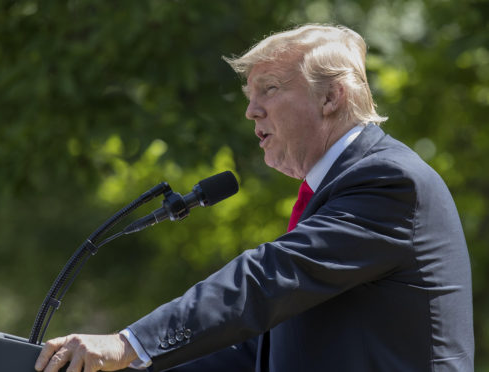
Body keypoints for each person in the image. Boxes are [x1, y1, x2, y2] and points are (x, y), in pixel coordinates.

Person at [35, 24, 474, 372]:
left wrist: (129, 343)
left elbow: (268, 278)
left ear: (331, 96)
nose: (251, 111)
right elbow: (260, 349)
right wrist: (122, 365)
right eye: (249, 96)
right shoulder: (340, 188)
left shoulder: (389, 181)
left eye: (270, 89)